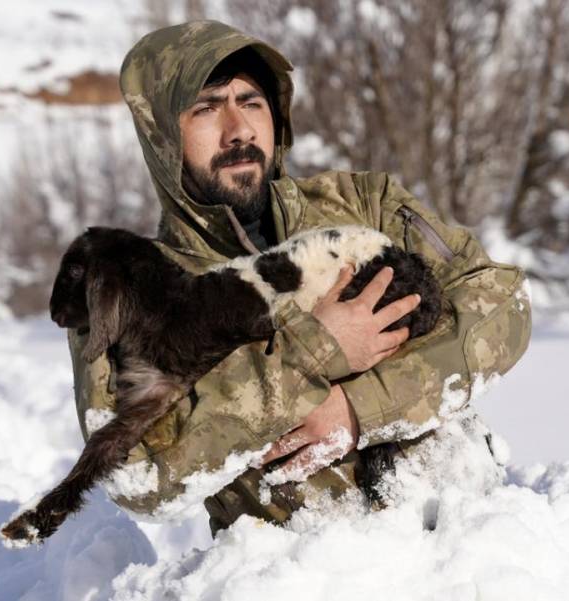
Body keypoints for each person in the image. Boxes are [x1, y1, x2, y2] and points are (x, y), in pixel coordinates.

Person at [68, 20, 531, 533]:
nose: (240, 129)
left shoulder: (362, 204)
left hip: (471, 542)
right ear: (161, 136)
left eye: (251, 102)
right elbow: (135, 476)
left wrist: (359, 408)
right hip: (306, 561)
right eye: (206, 108)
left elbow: (501, 302)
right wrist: (312, 352)